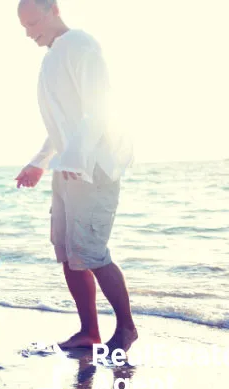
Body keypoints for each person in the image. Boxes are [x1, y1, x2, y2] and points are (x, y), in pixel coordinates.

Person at [16, 0, 138, 352]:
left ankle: (127, 329)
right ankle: (89, 330)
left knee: (91, 252)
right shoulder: (51, 57)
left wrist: (76, 155)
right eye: (23, 27)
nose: (29, 33)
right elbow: (62, 126)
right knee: (68, 252)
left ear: (53, 9)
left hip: (93, 167)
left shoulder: (81, 45)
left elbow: (99, 108)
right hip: (67, 168)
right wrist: (41, 161)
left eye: (33, 22)